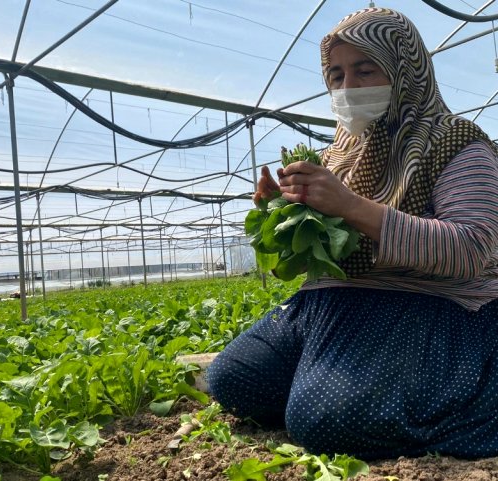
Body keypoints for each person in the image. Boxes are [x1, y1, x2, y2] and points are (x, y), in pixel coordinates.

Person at [207, 7, 498, 460]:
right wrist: (285, 213)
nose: (348, 88)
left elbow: (472, 248)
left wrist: (350, 205)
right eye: (336, 76)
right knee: (234, 379)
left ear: (405, 70)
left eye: (365, 71)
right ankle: (347, 382)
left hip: (429, 305)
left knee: (322, 420)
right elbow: (324, 254)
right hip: (331, 300)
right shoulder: (338, 154)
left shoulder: (455, 142)